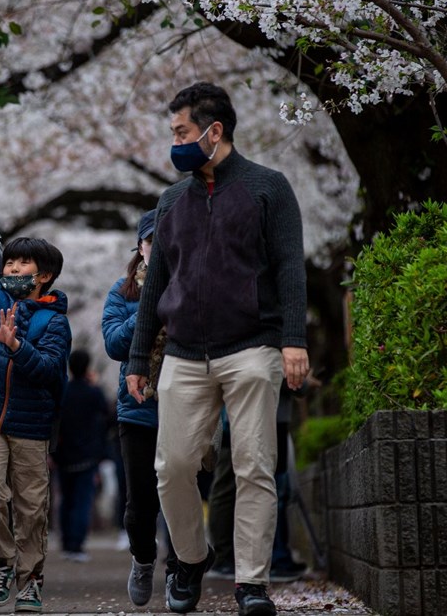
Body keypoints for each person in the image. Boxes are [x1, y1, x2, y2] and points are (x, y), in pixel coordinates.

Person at [126, 82, 310, 616]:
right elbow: (154, 282)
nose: (174, 142)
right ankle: (190, 559)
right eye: (173, 133)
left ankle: (252, 583)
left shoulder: (267, 188)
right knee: (174, 466)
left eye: (181, 132)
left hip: (253, 347)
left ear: (214, 131)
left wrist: (293, 341)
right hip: (182, 353)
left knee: (254, 465)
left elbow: (290, 268)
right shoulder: (171, 200)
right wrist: (140, 359)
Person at [0, 229, 71, 613]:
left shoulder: (55, 322)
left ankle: (31, 579)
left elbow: (50, 372)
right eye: (9, 261)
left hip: (32, 423)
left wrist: (17, 347)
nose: (13, 268)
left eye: (23, 263)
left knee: (31, 506)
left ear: (45, 276)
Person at [102, 209, 179, 607]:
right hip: (138, 407)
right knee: (141, 502)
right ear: (141, 247)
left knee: (182, 494)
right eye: (152, 242)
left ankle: (181, 571)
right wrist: (150, 308)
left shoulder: (193, 285)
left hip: (186, 402)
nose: (160, 249)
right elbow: (114, 344)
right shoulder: (123, 291)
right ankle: (144, 559)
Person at [207, 382, 310, 583]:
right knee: (243, 484)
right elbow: (292, 381)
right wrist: (302, 381)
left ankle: (255, 561)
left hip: (254, 416)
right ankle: (238, 559)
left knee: (248, 484)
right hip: (248, 418)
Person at [52, 349, 109, 563]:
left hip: (63, 455)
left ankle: (66, 542)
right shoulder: (93, 393)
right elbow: (107, 415)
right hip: (87, 455)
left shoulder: (63, 391)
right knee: (82, 501)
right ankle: (77, 544)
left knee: (65, 499)